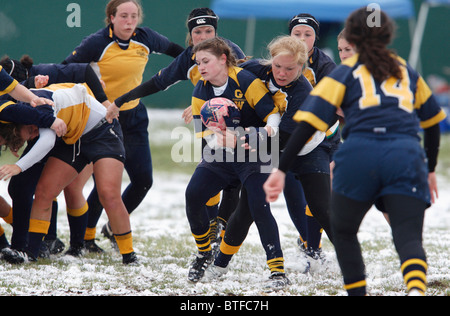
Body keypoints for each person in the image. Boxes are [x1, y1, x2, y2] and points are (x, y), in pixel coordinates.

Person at [264, 7, 446, 296]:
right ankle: (415, 289)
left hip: (359, 155)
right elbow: (434, 122)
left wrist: (281, 169)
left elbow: (308, 124)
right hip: (405, 154)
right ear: (388, 35)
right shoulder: (404, 69)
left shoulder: (344, 73)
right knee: (408, 234)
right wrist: (432, 167)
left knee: (344, 232)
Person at [107, 7, 246, 250]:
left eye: (208, 31)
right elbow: (157, 83)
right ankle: (214, 230)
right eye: (197, 32)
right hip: (208, 124)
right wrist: (121, 100)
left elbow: (248, 81)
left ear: (216, 32)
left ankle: (223, 229)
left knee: (234, 182)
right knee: (212, 173)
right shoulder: (188, 59)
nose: (203, 36)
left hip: (239, 123)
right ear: (190, 36)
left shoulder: (230, 51)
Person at [205, 36, 334, 281]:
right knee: (248, 208)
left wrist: (242, 138)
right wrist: (205, 102)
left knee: (321, 208)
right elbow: (223, 74)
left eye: (290, 68)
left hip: (307, 149)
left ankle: (350, 261)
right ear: (270, 61)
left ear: (302, 68)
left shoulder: (302, 92)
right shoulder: (254, 70)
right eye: (277, 66)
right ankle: (219, 264)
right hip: (269, 145)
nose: (282, 73)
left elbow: (282, 138)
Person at [62, 0, 184, 252]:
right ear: (111, 18)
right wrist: (91, 84)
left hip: (134, 117)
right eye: (124, 16)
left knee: (143, 180)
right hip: (101, 119)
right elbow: (66, 69)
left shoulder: (146, 37)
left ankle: (112, 229)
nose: (129, 21)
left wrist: (199, 66)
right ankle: (87, 236)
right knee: (103, 184)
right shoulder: (96, 42)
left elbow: (181, 54)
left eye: (134, 16)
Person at [185, 37, 287, 289]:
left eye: (206, 61)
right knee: (193, 194)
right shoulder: (201, 89)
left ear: (223, 59)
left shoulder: (244, 80)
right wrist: (220, 138)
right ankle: (203, 253)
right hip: (223, 154)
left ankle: (277, 271)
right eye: (198, 63)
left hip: (255, 152)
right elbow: (204, 133)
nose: (201, 68)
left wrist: (256, 135)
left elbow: (272, 116)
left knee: (259, 207)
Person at [0, 83, 138, 265]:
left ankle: (129, 255)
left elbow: (47, 141)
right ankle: (30, 253)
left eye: (27, 133)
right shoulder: (26, 113)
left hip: (102, 130)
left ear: (23, 122)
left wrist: (18, 166)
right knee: (44, 191)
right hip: (73, 137)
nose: (33, 135)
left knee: (108, 194)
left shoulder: (38, 110)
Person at [1, 55, 112, 255]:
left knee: (67, 188)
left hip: (85, 128)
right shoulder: (18, 111)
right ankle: (30, 244)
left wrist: (103, 99)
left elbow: (30, 109)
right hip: (55, 128)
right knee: (25, 187)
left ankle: (72, 244)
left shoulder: (34, 93)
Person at [288, 13, 340, 262]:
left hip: (323, 139)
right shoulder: (280, 59)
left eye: (307, 34)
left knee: (318, 197)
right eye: (296, 33)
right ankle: (307, 241)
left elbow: (335, 108)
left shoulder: (326, 66)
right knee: (288, 189)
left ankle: (317, 247)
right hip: (286, 138)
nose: (301, 38)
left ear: (315, 38)